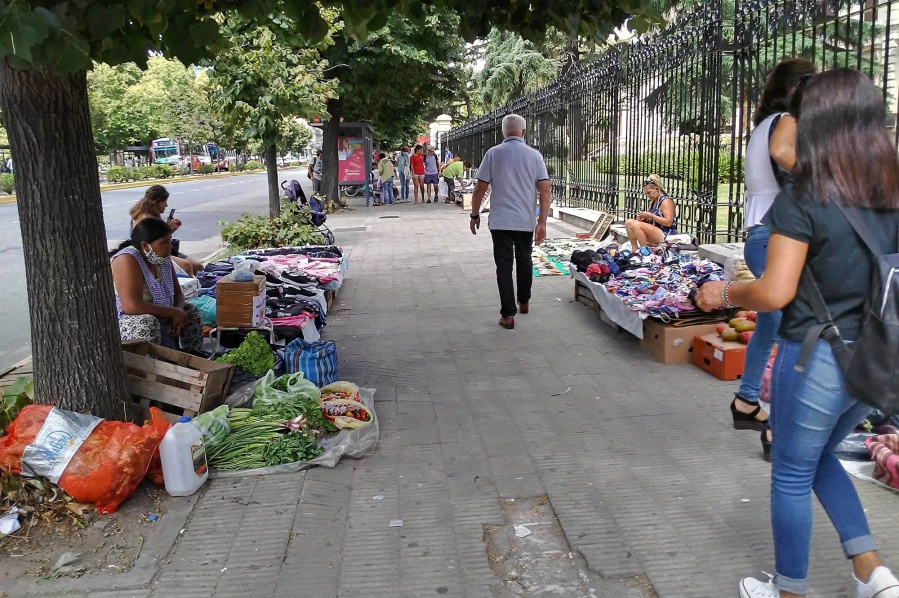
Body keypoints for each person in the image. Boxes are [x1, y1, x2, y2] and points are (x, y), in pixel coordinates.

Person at [695, 69, 899, 598]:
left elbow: (774, 293)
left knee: (789, 470)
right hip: (876, 358)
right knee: (819, 457)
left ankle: (788, 591)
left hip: (817, 358)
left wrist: (726, 294)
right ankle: (873, 573)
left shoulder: (806, 197)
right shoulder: (891, 194)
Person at [731, 58, 816, 459]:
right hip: (775, 234)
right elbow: (785, 155)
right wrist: (826, 180)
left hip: (761, 233)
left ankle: (747, 402)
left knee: (771, 325)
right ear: (797, 88)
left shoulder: (764, 123)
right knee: (790, 332)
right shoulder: (785, 121)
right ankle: (775, 425)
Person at [470, 114, 551, 330]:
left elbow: (480, 187)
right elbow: (544, 190)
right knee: (525, 260)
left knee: (503, 266)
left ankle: (508, 315)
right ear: (524, 133)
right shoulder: (535, 156)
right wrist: (542, 222)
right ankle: (524, 301)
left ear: (503, 132)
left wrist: (474, 214)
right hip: (525, 221)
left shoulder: (493, 154)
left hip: (500, 222)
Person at [110, 218, 204, 352]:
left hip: (162, 316)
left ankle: (191, 360)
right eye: (164, 242)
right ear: (145, 246)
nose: (170, 246)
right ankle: (149, 369)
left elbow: (178, 294)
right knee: (147, 323)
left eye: (170, 240)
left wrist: (179, 311)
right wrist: (174, 312)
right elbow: (131, 306)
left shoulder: (162, 258)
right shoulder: (127, 259)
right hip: (128, 323)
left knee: (191, 312)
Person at [129, 185, 204, 276]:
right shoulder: (146, 220)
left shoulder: (153, 215)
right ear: (156, 202)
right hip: (154, 254)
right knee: (187, 266)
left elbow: (158, 237)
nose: (166, 205)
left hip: (163, 250)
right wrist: (168, 229)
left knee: (198, 266)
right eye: (164, 202)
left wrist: (170, 228)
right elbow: (153, 242)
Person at [624, 174, 677, 248]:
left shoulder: (666, 201)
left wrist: (651, 216)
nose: (648, 196)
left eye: (649, 192)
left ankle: (645, 251)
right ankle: (634, 249)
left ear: (657, 189)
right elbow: (653, 221)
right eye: (646, 194)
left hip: (666, 233)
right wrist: (644, 219)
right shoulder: (653, 202)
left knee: (636, 225)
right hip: (656, 231)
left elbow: (668, 222)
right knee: (629, 222)